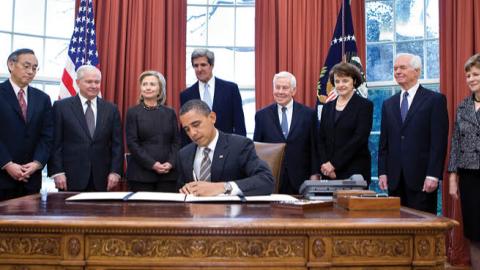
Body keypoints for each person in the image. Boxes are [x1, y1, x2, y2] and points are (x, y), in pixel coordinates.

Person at [378, 53, 449, 214]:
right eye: (395, 68)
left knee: (422, 230)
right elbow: (384, 143)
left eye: (402, 67)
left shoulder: (435, 100)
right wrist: (382, 172)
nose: (397, 71)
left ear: (417, 71)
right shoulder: (388, 104)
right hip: (394, 180)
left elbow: (439, 142)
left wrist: (433, 174)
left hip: (422, 179)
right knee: (397, 230)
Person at [48, 65, 123, 191]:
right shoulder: (61, 107)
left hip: (102, 178)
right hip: (69, 177)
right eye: (89, 82)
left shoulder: (111, 109)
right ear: (77, 82)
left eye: (97, 82)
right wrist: (57, 172)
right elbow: (55, 142)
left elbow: (117, 144)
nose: (93, 85)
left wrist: (115, 172)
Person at [177, 99, 274, 196]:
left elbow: (266, 180)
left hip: (232, 210)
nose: (192, 133)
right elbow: (180, 189)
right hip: (195, 210)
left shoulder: (240, 146)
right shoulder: (184, 154)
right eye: (187, 129)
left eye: (196, 125)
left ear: (212, 117)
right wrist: (185, 189)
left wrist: (224, 187)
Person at [0, 48, 53, 201]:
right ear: (11, 65)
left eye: (35, 68)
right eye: (26, 66)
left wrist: (37, 163)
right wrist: (7, 164)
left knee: (30, 225)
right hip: (2, 177)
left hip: (32, 179)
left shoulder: (43, 98)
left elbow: (47, 136)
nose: (31, 71)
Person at [253, 71, 318, 194]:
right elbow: (258, 149)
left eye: (285, 88)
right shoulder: (261, 116)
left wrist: (314, 173)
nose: (280, 92)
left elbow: (314, 147)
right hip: (272, 177)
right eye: (277, 87)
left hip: (300, 178)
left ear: (293, 91)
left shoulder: (308, 114)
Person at [448, 53, 480, 269]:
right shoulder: (462, 107)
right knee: (475, 231)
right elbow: (456, 143)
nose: (470, 79)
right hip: (469, 176)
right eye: (468, 75)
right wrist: (452, 178)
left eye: (476, 74)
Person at [316, 62, 373, 185]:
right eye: (337, 81)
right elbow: (321, 139)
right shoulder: (327, 107)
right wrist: (326, 165)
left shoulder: (364, 106)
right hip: (328, 173)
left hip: (354, 170)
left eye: (345, 81)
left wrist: (334, 164)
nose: (341, 85)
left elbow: (359, 139)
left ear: (354, 82)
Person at [125, 71, 180, 192]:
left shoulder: (170, 113)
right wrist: (152, 164)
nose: (148, 87)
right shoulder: (133, 113)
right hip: (141, 175)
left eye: (152, 84)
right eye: (144, 84)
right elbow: (132, 144)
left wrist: (171, 163)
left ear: (160, 89)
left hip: (168, 175)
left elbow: (176, 142)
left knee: (167, 211)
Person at [180, 49, 246, 146]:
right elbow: (185, 130)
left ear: (211, 65)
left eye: (203, 65)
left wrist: (240, 149)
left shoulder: (230, 89)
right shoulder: (186, 95)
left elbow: (239, 124)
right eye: (196, 65)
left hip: (227, 147)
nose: (199, 69)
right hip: (198, 148)